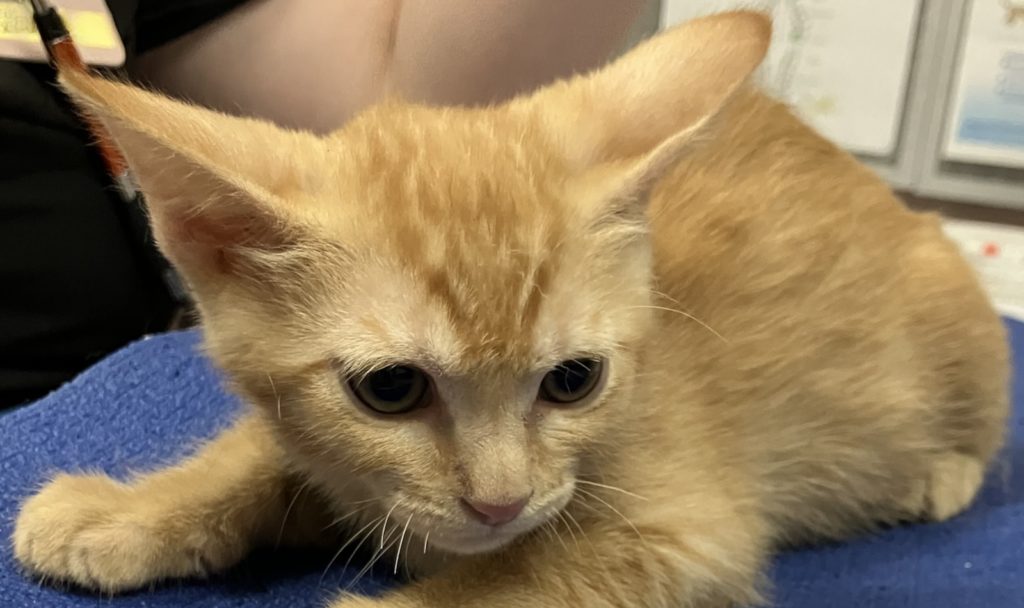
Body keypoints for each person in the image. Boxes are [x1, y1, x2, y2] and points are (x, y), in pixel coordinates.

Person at [0, 0, 648, 408]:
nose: (500, 496)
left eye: (573, 377)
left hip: (143, 379)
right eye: (390, 387)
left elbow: (408, 103)